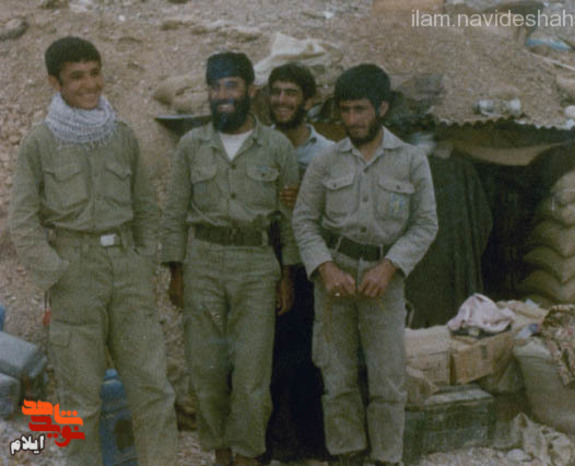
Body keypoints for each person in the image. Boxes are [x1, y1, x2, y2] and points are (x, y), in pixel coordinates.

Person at [9, 36, 177, 465]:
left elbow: (145, 209)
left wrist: (142, 261)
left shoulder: (121, 135)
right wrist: (57, 273)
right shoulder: (39, 144)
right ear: (55, 83)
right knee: (79, 406)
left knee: (153, 392)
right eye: (77, 77)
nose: (90, 84)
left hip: (127, 270)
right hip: (74, 276)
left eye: (95, 72)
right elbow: (22, 223)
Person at [292, 64, 438, 465]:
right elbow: (303, 220)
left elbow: (425, 224)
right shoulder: (326, 161)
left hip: (384, 283)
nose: (352, 119)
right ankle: (346, 454)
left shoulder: (410, 161)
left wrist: (389, 267)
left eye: (360, 110)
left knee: (388, 379)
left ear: (382, 108)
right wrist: (325, 268)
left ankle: (387, 457)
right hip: (334, 280)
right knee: (336, 376)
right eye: (345, 110)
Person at [160, 52, 301, 466]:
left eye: (231, 86)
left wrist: (287, 276)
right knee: (206, 371)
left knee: (252, 374)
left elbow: (289, 218)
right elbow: (174, 213)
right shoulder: (191, 145)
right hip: (202, 263)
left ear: (251, 90)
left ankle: (246, 457)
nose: (222, 95)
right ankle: (221, 455)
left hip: (256, 266)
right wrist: (176, 272)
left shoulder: (276, 147)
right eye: (215, 87)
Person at [266, 62, 335, 462]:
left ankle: (310, 446)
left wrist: (311, 199)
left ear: (308, 101)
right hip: (265, 261)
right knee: (266, 359)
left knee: (308, 357)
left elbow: (344, 210)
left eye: (291, 93)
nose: (281, 100)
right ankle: (270, 445)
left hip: (312, 266)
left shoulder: (327, 153)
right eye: (276, 91)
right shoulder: (258, 144)